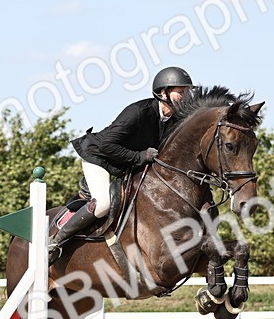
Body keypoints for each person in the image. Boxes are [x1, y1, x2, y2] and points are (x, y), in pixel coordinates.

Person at [49, 66, 194, 260]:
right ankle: (56, 241)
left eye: (188, 91)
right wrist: (139, 157)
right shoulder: (137, 112)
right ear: (163, 92)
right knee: (102, 204)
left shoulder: (175, 119)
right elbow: (106, 145)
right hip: (99, 157)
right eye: (181, 92)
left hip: (123, 166)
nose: (187, 96)